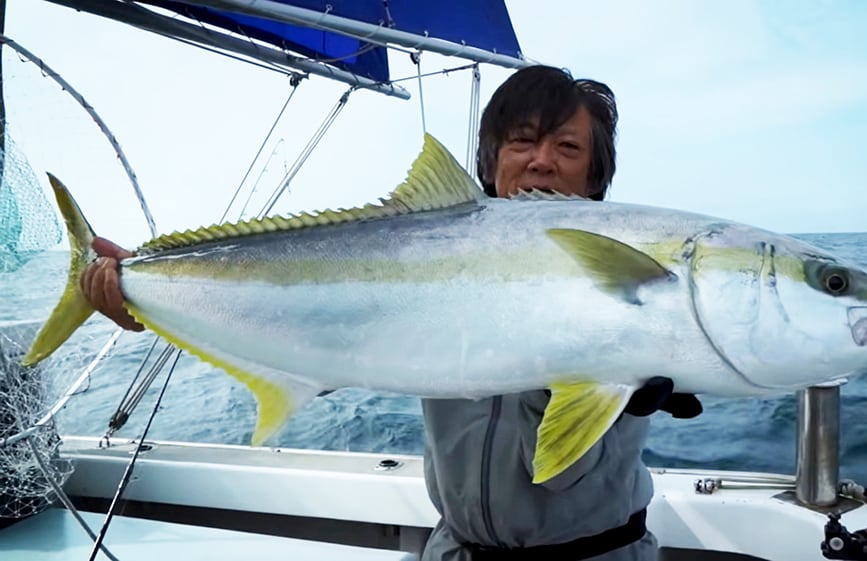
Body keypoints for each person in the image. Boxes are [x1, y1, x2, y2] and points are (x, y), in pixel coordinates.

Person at [80, 65, 702, 561]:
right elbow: (308, 330)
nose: (542, 160)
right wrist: (146, 299)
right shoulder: (424, 256)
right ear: (488, 164)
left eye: (567, 146)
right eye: (522, 141)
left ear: (596, 179)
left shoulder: (633, 278)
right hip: (453, 550)